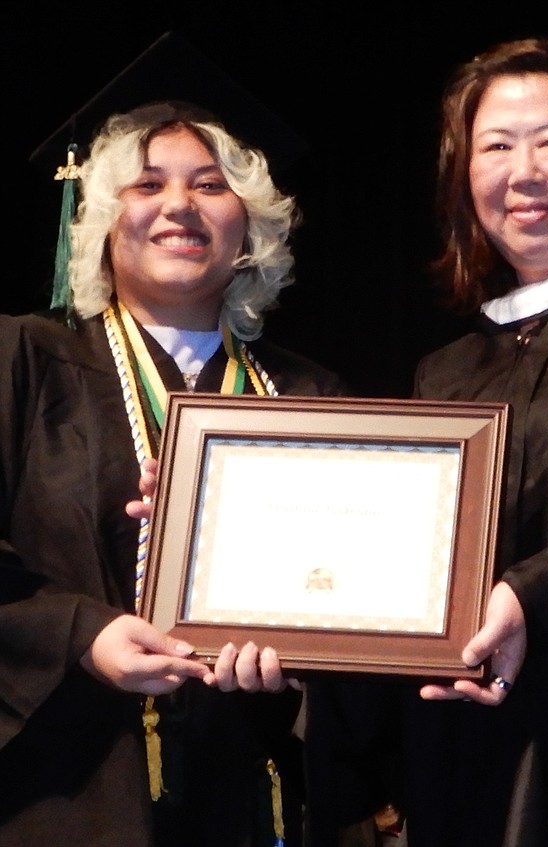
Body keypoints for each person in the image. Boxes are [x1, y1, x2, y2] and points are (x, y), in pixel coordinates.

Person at [300, 36, 548, 847]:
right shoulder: (444, 374)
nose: (522, 171)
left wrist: (535, 595)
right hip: (467, 761)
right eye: (495, 146)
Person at [0, 48, 348, 847]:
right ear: (96, 217)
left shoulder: (308, 397)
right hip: (60, 794)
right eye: (148, 183)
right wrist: (82, 633)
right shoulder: (21, 363)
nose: (179, 206)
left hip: (245, 792)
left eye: (211, 184)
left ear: (250, 222)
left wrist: (295, 656)